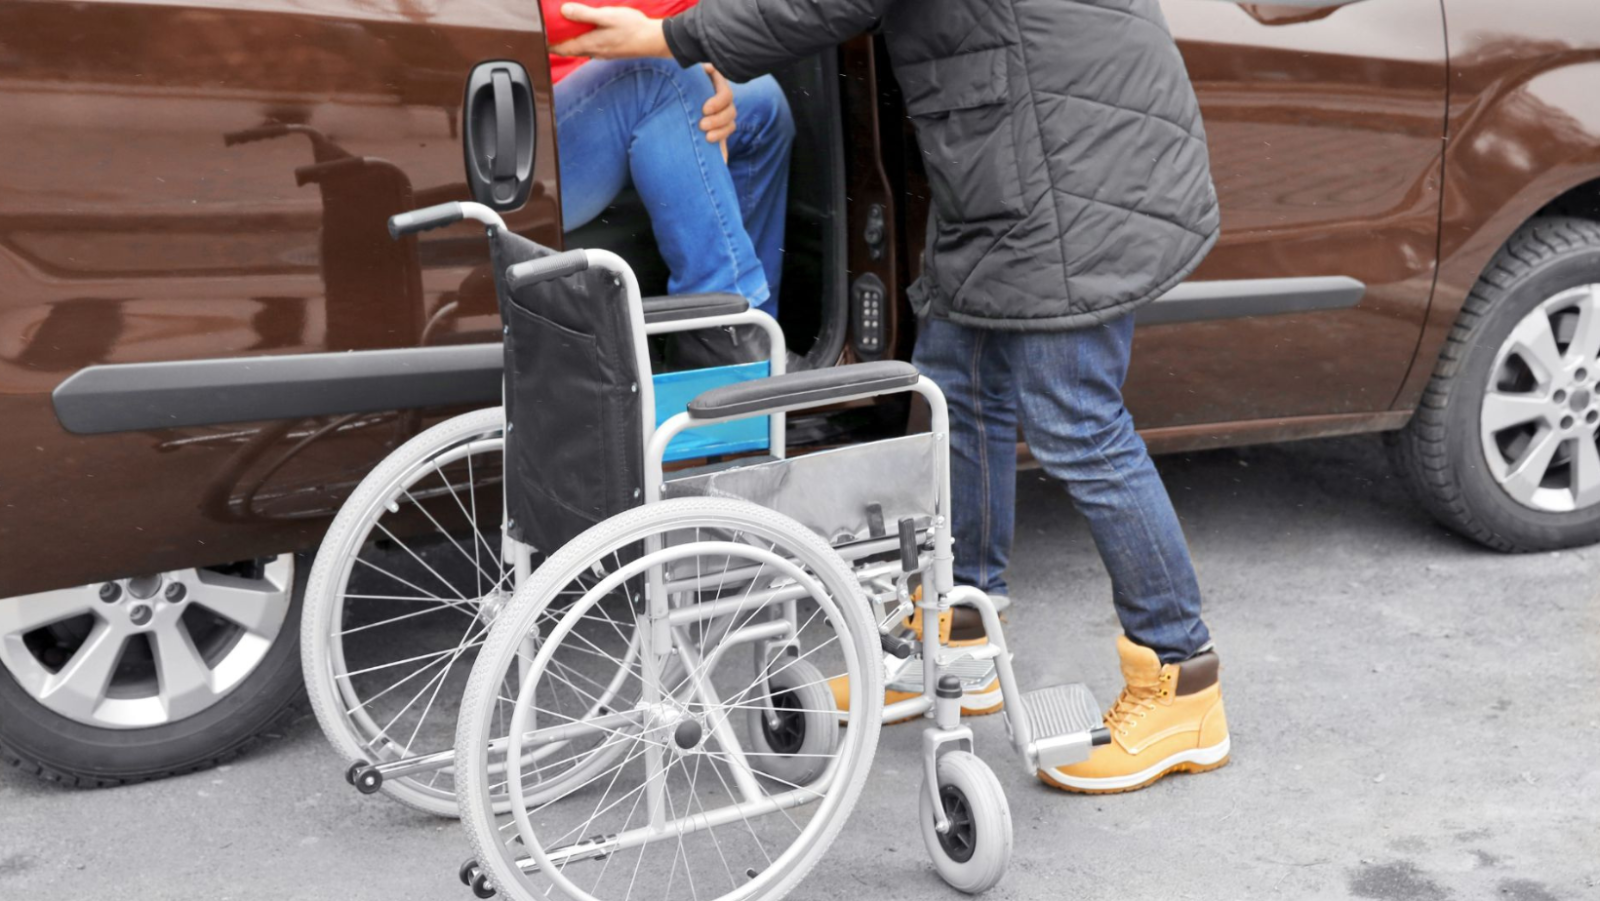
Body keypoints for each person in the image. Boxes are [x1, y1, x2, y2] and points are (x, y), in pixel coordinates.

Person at [551, 0, 1229, 795]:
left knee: (1076, 420)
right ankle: (959, 637)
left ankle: (1183, 679)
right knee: (958, 392)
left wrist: (674, 37)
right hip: (1010, 146)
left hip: (1066, 156)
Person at [545, 0, 793, 319]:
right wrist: (684, 34)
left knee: (762, 103)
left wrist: (703, 50)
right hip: (504, 137)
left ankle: (758, 325)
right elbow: (563, 16)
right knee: (663, 71)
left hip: (581, 86)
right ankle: (725, 336)